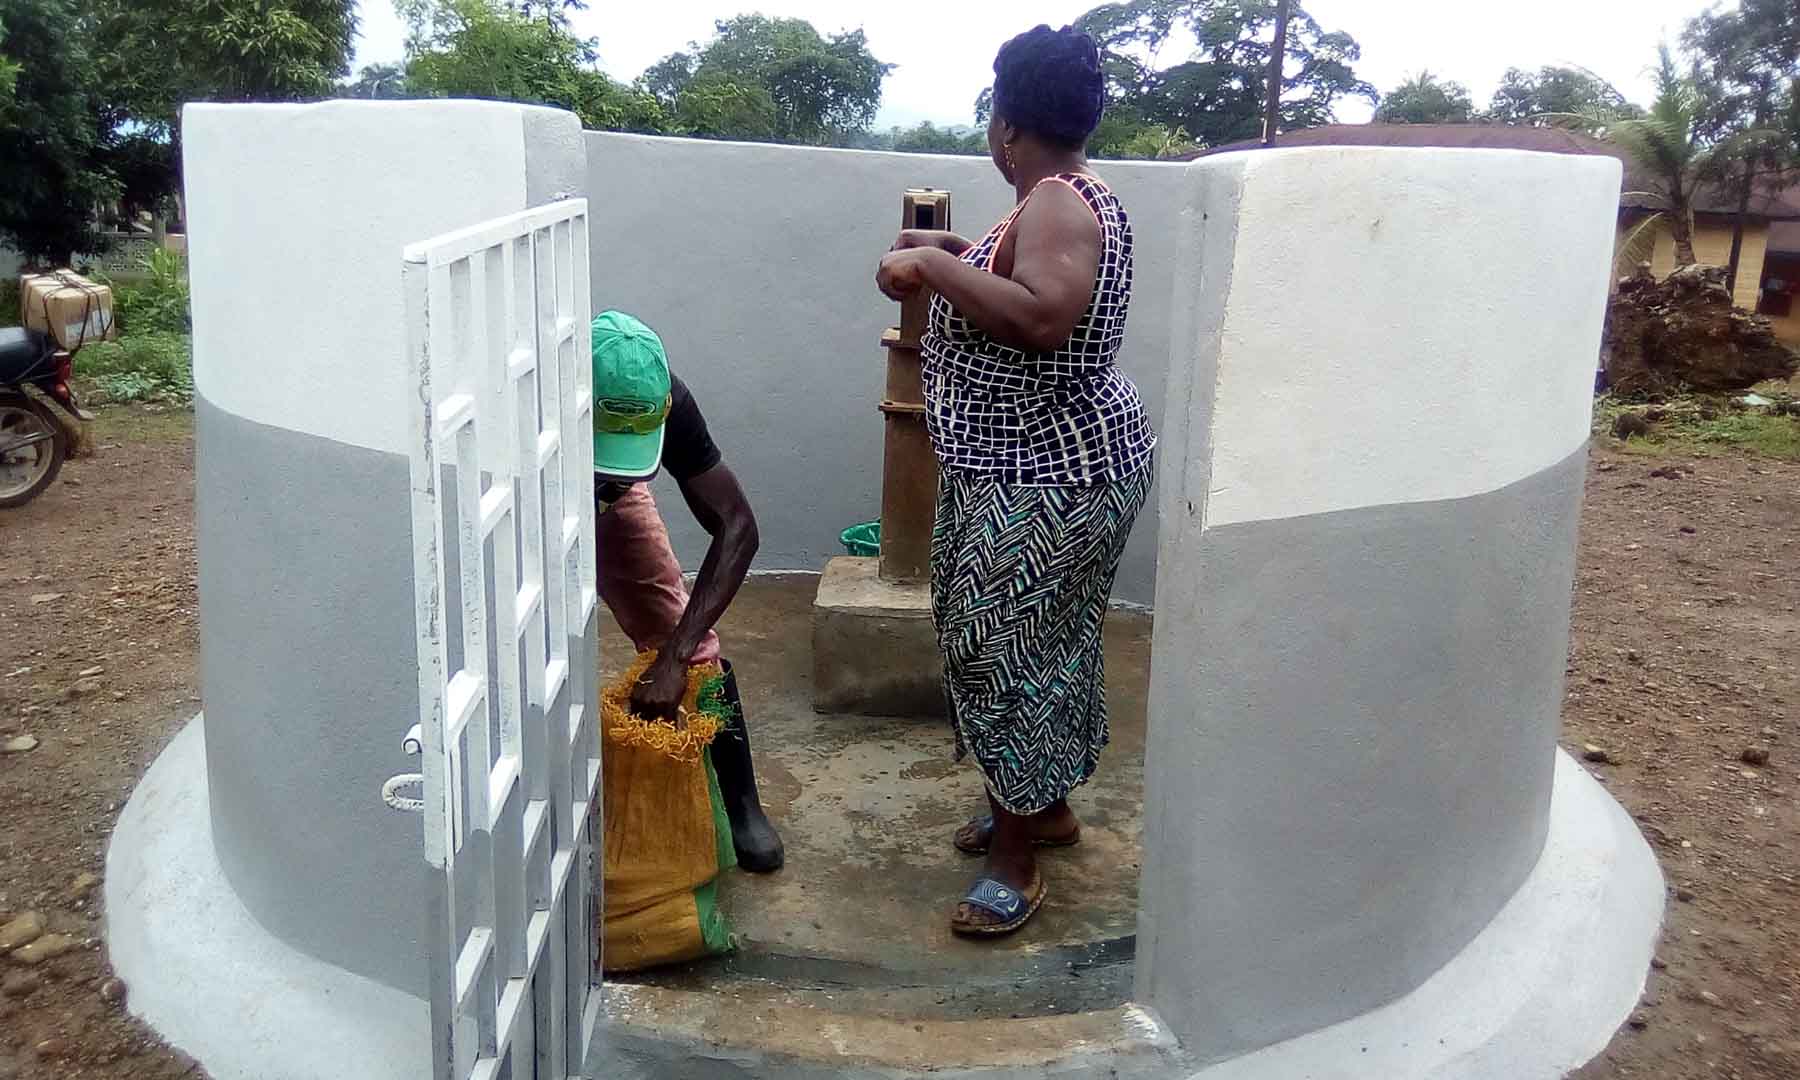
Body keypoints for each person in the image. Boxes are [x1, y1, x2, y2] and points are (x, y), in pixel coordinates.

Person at [874, 24, 1155, 937]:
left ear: (1006, 128)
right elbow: (1022, 281)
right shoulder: (1059, 199)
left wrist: (930, 264)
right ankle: (1043, 808)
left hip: (1047, 474)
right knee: (1045, 642)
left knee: (1001, 653)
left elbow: (1042, 316)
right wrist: (961, 256)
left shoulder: (1058, 202)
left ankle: (1016, 859)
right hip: (1032, 465)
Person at [590, 309, 784, 873]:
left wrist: (674, 656)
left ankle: (742, 803)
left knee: (687, 638)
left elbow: (737, 525)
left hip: (610, 504)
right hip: (529, 492)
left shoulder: (669, 400)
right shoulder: (525, 400)